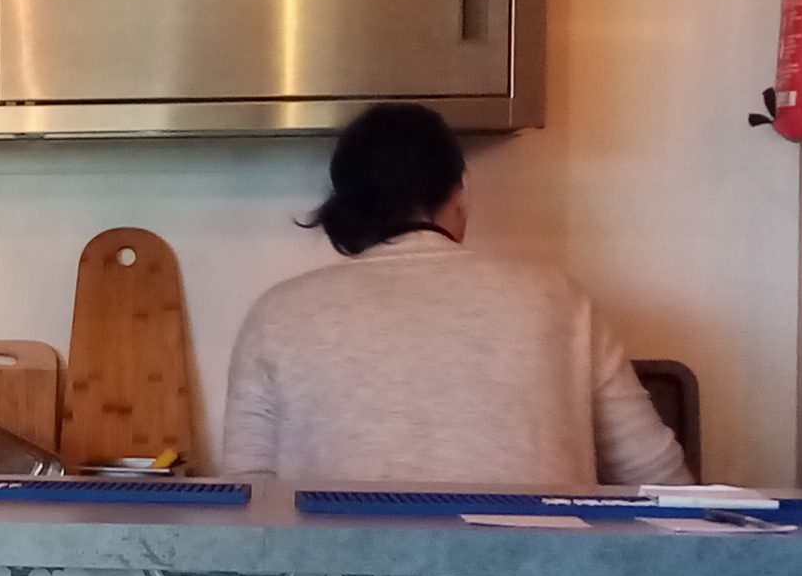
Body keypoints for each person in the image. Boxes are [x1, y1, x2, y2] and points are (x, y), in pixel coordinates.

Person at [219, 104, 691, 488]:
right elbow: (660, 481)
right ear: (461, 190)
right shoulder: (559, 301)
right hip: (541, 575)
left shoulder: (277, 315)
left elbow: (249, 503)